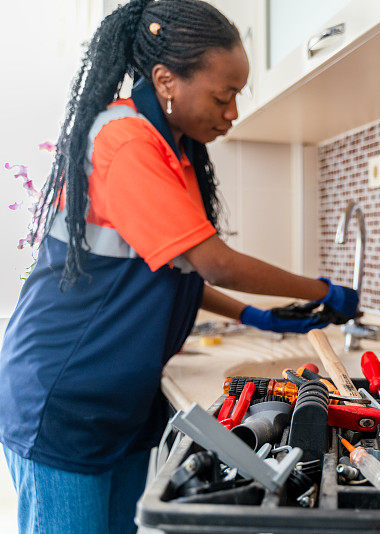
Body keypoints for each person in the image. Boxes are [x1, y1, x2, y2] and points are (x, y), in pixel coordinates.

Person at [0, 1, 358, 532]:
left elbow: (174, 270)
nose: (233, 112)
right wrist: (322, 289)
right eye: (224, 95)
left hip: (116, 398)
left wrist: (256, 317)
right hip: (65, 395)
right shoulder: (126, 143)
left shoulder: (174, 151)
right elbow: (213, 262)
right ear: (166, 79)